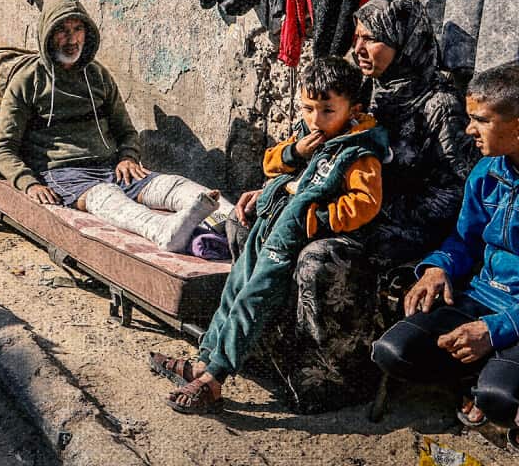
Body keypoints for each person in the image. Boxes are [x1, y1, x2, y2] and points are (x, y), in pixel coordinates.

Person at [230, 0, 478, 410]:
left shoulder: (439, 106)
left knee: (320, 256)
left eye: (372, 39)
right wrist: (278, 189)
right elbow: (309, 144)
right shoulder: (361, 89)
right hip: (344, 209)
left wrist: (376, 214)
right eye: (357, 36)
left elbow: (457, 191)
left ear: (406, 42)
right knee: (248, 221)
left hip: (399, 230)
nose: (359, 48)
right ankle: (263, 345)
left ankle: (335, 376)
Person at [152, 56, 388, 413]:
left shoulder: (358, 151)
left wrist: (314, 219)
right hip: (272, 225)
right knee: (235, 287)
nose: (315, 119)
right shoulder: (307, 134)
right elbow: (271, 162)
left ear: (353, 110)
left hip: (295, 234)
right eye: (308, 108)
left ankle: (215, 378)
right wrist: (295, 151)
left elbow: (364, 204)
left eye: (327, 110)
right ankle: (204, 359)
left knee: (254, 296)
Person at [0, 0, 230, 253]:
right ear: (47, 35)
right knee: (109, 198)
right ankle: (163, 231)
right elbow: (3, 148)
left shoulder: (98, 76)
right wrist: (30, 183)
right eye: (62, 30)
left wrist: (127, 156)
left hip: (111, 167)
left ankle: (230, 219)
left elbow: (125, 130)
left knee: (173, 186)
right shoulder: (27, 82)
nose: (71, 40)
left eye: (77, 29)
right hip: (64, 174)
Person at [371, 61, 519, 428]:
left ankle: (491, 384)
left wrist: (494, 331)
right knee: (392, 352)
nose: (469, 129)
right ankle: (482, 374)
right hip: (483, 294)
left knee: (499, 399)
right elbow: (464, 239)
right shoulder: (488, 172)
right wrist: (439, 267)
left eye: (481, 120)